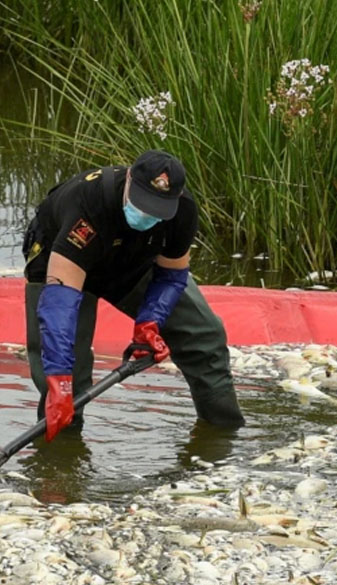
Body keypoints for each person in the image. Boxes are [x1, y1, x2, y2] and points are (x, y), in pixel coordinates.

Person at [22, 149, 244, 441]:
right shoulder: (88, 205)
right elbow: (59, 308)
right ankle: (59, 463)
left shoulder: (183, 212)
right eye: (142, 203)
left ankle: (223, 438)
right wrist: (60, 381)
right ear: (128, 178)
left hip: (132, 261)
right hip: (61, 262)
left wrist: (150, 322)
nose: (147, 213)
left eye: (157, 209)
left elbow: (171, 276)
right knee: (68, 378)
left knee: (205, 336)